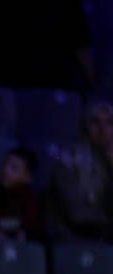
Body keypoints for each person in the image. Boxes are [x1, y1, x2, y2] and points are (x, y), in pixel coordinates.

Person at [47, 100, 113, 242]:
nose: (104, 129)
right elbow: (78, 214)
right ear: (85, 127)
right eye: (96, 122)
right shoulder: (67, 159)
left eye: (110, 122)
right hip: (77, 235)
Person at [0, 146, 45, 242]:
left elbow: (30, 223)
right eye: (5, 164)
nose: (5, 170)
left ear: (27, 177)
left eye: (14, 168)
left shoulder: (32, 199)